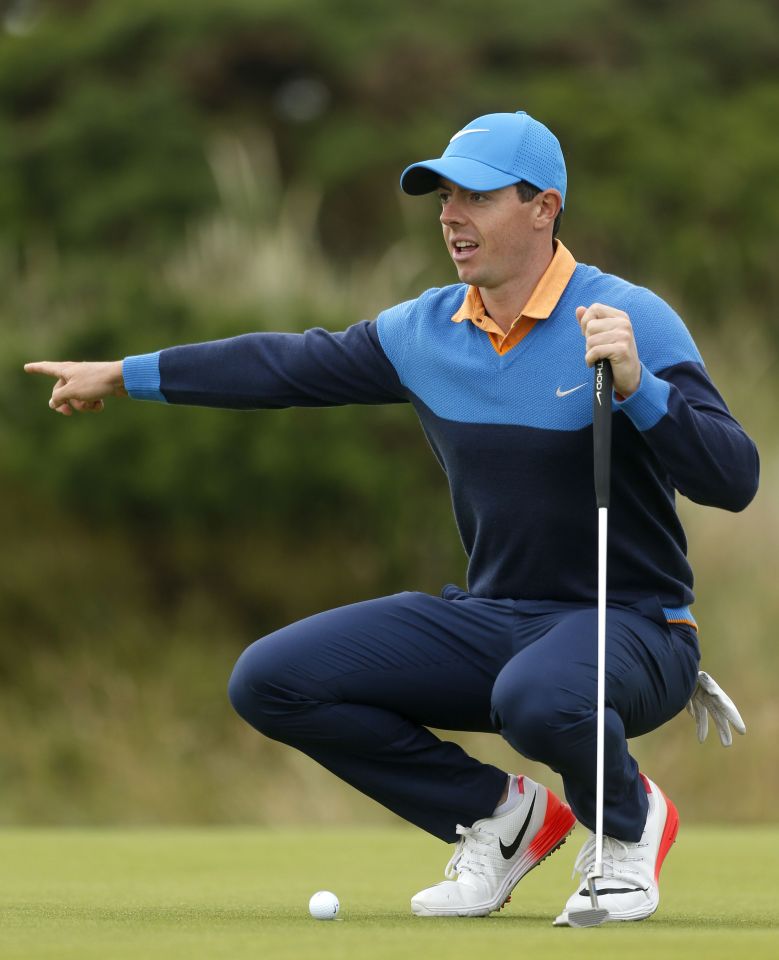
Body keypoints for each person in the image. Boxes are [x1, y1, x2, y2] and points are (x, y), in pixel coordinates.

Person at [25, 110, 757, 925]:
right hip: (498, 620)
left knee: (538, 697)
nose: (450, 214)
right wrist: (126, 374)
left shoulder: (627, 318)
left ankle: (626, 827)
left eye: (475, 196)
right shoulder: (424, 331)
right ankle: (498, 818)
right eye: (443, 195)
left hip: (636, 631)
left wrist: (636, 387)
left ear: (543, 207)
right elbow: (283, 365)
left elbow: (733, 480)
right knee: (272, 680)